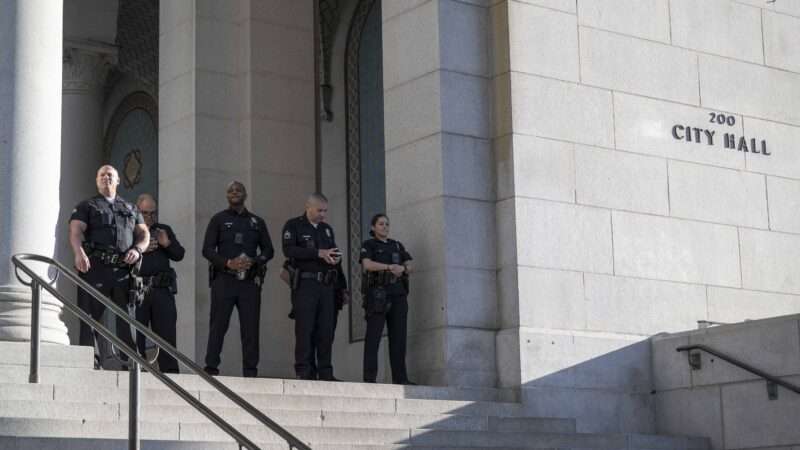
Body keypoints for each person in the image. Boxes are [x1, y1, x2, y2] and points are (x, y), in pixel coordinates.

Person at [69, 165, 150, 369]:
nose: (106, 178)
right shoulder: (87, 206)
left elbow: (144, 235)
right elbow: (76, 230)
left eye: (110, 175)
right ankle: (91, 363)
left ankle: (130, 364)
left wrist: (138, 250)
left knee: (127, 319)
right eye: (102, 175)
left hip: (123, 271)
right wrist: (78, 253)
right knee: (89, 317)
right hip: (95, 267)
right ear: (97, 181)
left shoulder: (131, 208)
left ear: (118, 180)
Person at [202, 181, 274, 377]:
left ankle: (250, 371)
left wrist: (256, 261)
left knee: (250, 328)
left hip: (249, 283)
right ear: (227, 196)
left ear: (245, 194)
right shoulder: (218, 219)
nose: (235, 192)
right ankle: (211, 367)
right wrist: (227, 263)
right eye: (231, 190)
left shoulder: (257, 222)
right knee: (218, 325)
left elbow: (269, 250)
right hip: (224, 280)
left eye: (238, 190)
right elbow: (207, 250)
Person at [281, 193, 347, 381]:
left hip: (327, 285)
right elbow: (289, 250)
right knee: (305, 328)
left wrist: (342, 287)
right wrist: (318, 253)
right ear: (308, 207)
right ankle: (304, 371)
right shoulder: (293, 225)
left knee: (326, 329)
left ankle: (326, 372)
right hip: (305, 284)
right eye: (319, 210)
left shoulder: (326, 230)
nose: (323, 215)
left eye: (325, 211)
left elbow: (335, 258)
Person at [360, 213, 414, 385]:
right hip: (378, 295)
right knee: (373, 338)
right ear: (373, 227)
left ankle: (401, 379)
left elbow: (410, 266)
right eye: (381, 224)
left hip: (398, 295)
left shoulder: (397, 245)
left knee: (399, 338)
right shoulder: (369, 245)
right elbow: (367, 264)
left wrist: (403, 270)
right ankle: (370, 379)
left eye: (387, 224)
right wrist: (389, 267)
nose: (385, 227)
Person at [134, 193, 184, 373]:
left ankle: (171, 377)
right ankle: (137, 375)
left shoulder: (163, 229)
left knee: (167, 337)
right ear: (137, 211)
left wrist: (167, 243)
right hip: (138, 290)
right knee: (136, 338)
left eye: (152, 213)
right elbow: (121, 257)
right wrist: (140, 249)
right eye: (145, 213)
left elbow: (179, 254)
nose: (149, 217)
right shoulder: (130, 229)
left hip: (162, 290)